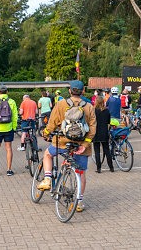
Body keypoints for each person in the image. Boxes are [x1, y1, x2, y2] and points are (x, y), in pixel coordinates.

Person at [38, 80, 96, 212]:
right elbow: (92, 129)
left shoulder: (61, 104)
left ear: (69, 91)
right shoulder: (89, 107)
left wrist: (46, 133)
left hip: (62, 142)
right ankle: (79, 202)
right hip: (81, 145)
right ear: (82, 92)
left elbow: (52, 123)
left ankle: (47, 179)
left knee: (47, 154)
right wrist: (85, 144)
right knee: (81, 173)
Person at [0, 85, 18, 177]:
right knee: (8, 148)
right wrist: (14, 127)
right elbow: (15, 116)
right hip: (8, 128)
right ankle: (9, 170)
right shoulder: (12, 102)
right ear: (7, 92)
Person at [93, 96, 113, 173]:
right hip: (104, 132)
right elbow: (108, 122)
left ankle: (99, 168)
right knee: (107, 150)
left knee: (97, 151)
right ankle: (111, 167)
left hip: (96, 132)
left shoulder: (94, 111)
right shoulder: (107, 111)